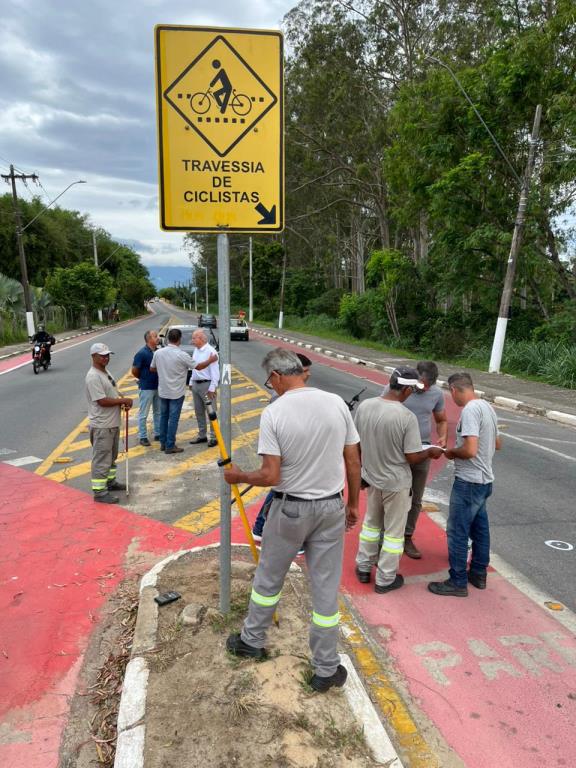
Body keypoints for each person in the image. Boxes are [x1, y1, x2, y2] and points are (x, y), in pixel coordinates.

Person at [224, 348, 361, 693]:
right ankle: (326, 668)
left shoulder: (274, 413)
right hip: (331, 507)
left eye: (269, 380)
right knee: (326, 590)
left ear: (277, 376)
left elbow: (270, 476)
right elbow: (353, 462)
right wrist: (353, 504)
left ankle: (251, 641)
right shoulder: (337, 404)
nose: (270, 386)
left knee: (269, 579)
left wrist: (239, 476)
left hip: (290, 510)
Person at [354, 366, 444, 593]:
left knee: (371, 525)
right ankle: (385, 579)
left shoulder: (365, 406)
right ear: (405, 390)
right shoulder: (406, 417)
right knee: (394, 534)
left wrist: (363, 472)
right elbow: (412, 456)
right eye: (411, 391)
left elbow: (355, 444)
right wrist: (430, 452)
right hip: (396, 483)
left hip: (372, 477)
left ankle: (363, 567)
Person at [428, 373, 501, 597]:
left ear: (454, 389)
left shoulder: (469, 410)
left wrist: (450, 453)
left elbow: (469, 450)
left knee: (457, 531)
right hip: (485, 479)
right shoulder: (487, 407)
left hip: (469, 481)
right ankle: (478, 574)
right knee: (480, 529)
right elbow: (497, 443)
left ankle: (457, 581)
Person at [252, 353, 312, 543]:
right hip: (283, 454)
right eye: (305, 371)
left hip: (293, 453)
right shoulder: (279, 399)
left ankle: (262, 527)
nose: (308, 375)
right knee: (280, 491)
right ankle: (261, 527)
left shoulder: (296, 394)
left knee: (283, 491)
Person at [401, 361, 448, 559]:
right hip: (398, 451)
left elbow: (441, 419)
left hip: (423, 449)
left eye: (429, 385)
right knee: (392, 494)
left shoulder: (436, 394)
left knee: (416, 498)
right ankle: (384, 536)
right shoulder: (399, 387)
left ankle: (407, 536)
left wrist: (443, 436)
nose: (425, 388)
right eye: (422, 383)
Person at [150, 328, 217, 454]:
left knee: (164, 417)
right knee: (173, 419)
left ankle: (163, 443)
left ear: (168, 338)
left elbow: (152, 368)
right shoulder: (182, 355)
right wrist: (210, 360)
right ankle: (170, 445)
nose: (192, 341)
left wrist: (164, 371)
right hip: (176, 392)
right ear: (179, 340)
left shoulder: (158, 353)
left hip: (163, 391)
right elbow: (198, 367)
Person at [85, 342, 133, 504]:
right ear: (93, 357)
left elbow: (111, 391)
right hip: (102, 425)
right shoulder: (93, 376)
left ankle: (110, 482)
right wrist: (123, 400)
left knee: (111, 457)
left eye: (107, 355)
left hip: (112, 423)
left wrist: (122, 401)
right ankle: (99, 492)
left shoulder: (104, 372)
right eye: (102, 355)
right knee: (102, 458)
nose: (106, 358)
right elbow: (102, 401)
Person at [189, 329, 220, 448]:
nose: (192, 341)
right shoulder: (196, 350)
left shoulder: (211, 352)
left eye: (194, 338)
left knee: (211, 412)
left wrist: (213, 387)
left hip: (207, 385)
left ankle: (214, 436)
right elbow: (194, 367)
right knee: (199, 411)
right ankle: (202, 435)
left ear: (201, 339)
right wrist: (191, 381)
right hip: (196, 385)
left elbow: (215, 372)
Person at [132, 330, 161, 447]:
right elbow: (134, 371)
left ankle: (158, 433)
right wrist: (143, 378)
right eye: (155, 336)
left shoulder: (158, 352)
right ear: (149, 339)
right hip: (146, 387)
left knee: (158, 412)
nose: (158, 338)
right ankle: (143, 436)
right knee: (143, 413)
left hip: (158, 386)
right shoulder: (141, 353)